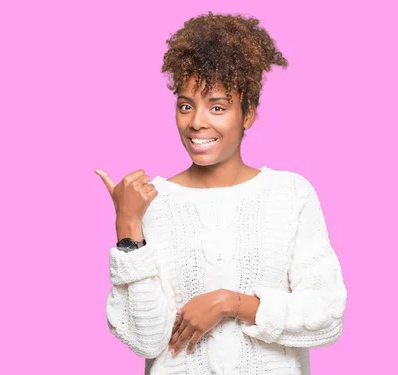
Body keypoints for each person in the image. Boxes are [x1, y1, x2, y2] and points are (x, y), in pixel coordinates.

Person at [94, 12, 347, 375]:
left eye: (217, 106)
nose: (197, 121)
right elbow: (145, 340)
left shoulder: (290, 195)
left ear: (247, 114)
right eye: (186, 105)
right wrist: (127, 225)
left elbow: (327, 317)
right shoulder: (152, 202)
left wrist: (231, 303)